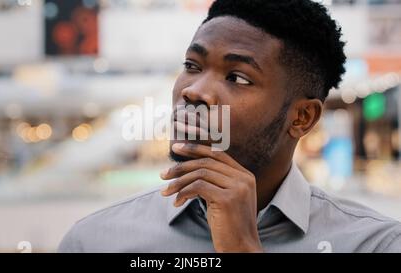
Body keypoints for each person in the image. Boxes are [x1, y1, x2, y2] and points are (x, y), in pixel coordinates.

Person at [58, 0, 401, 253]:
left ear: (302, 118)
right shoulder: (94, 241)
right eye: (192, 65)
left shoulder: (374, 245)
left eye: (237, 77)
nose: (194, 90)